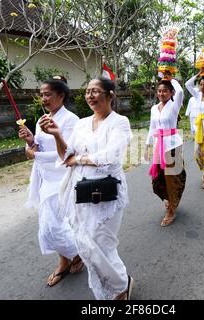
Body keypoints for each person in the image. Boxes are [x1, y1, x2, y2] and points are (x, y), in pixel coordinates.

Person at [39, 77, 134, 300]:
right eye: (88, 91)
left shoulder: (120, 122)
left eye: (96, 91)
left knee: (102, 244)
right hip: (81, 193)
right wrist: (57, 135)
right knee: (85, 245)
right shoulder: (81, 124)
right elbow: (65, 156)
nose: (90, 95)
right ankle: (108, 289)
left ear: (111, 95)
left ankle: (121, 286)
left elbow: (112, 156)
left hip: (107, 193)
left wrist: (79, 159)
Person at [19, 78, 84, 287]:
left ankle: (74, 256)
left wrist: (35, 155)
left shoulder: (72, 120)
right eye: (41, 94)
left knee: (60, 225)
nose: (43, 99)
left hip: (63, 179)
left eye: (47, 94)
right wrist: (30, 141)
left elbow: (67, 154)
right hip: (45, 179)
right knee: (49, 226)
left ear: (61, 95)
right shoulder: (42, 119)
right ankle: (68, 258)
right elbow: (38, 147)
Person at [145, 72, 186, 227]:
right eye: (159, 91)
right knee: (157, 181)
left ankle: (172, 210)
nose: (161, 93)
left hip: (173, 146)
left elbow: (181, 91)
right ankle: (168, 198)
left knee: (172, 179)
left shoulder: (175, 105)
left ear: (171, 93)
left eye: (165, 91)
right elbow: (152, 127)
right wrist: (147, 145)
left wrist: (170, 78)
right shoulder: (154, 108)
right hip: (158, 147)